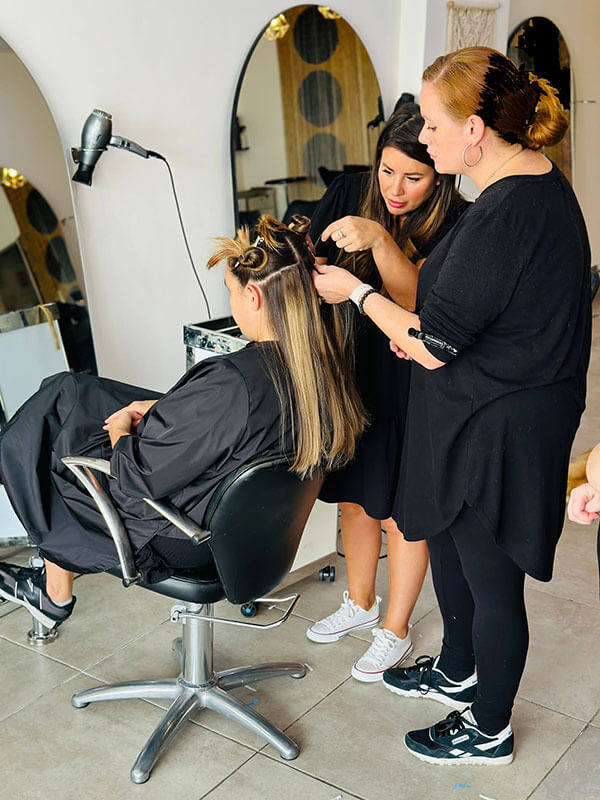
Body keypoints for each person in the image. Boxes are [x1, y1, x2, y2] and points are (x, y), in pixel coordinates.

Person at [312, 46, 590, 764]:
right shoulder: (509, 187)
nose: (424, 141)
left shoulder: (510, 211)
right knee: (458, 553)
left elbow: (434, 341)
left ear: (476, 129)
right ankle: (458, 667)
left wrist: (360, 295)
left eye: (433, 126)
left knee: (492, 576)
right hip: (484, 401)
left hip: (504, 422)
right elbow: (457, 309)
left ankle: (488, 726)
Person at [0, 214, 365, 629]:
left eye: (231, 291)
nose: (230, 302)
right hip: (251, 530)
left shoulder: (232, 381)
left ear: (254, 298)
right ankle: (52, 585)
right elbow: (240, 429)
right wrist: (167, 410)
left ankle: (52, 591)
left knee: (47, 440)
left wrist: (122, 431)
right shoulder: (321, 365)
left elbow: (136, 477)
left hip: (184, 537)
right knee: (72, 392)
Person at [305, 103, 467, 683]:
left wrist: (377, 240)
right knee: (354, 497)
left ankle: (394, 629)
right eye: (387, 171)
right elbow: (310, 260)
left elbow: (422, 304)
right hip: (355, 373)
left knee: (403, 511)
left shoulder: (458, 223)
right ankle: (360, 600)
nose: (395, 189)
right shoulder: (350, 190)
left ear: (440, 175)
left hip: (415, 379)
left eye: (413, 177)